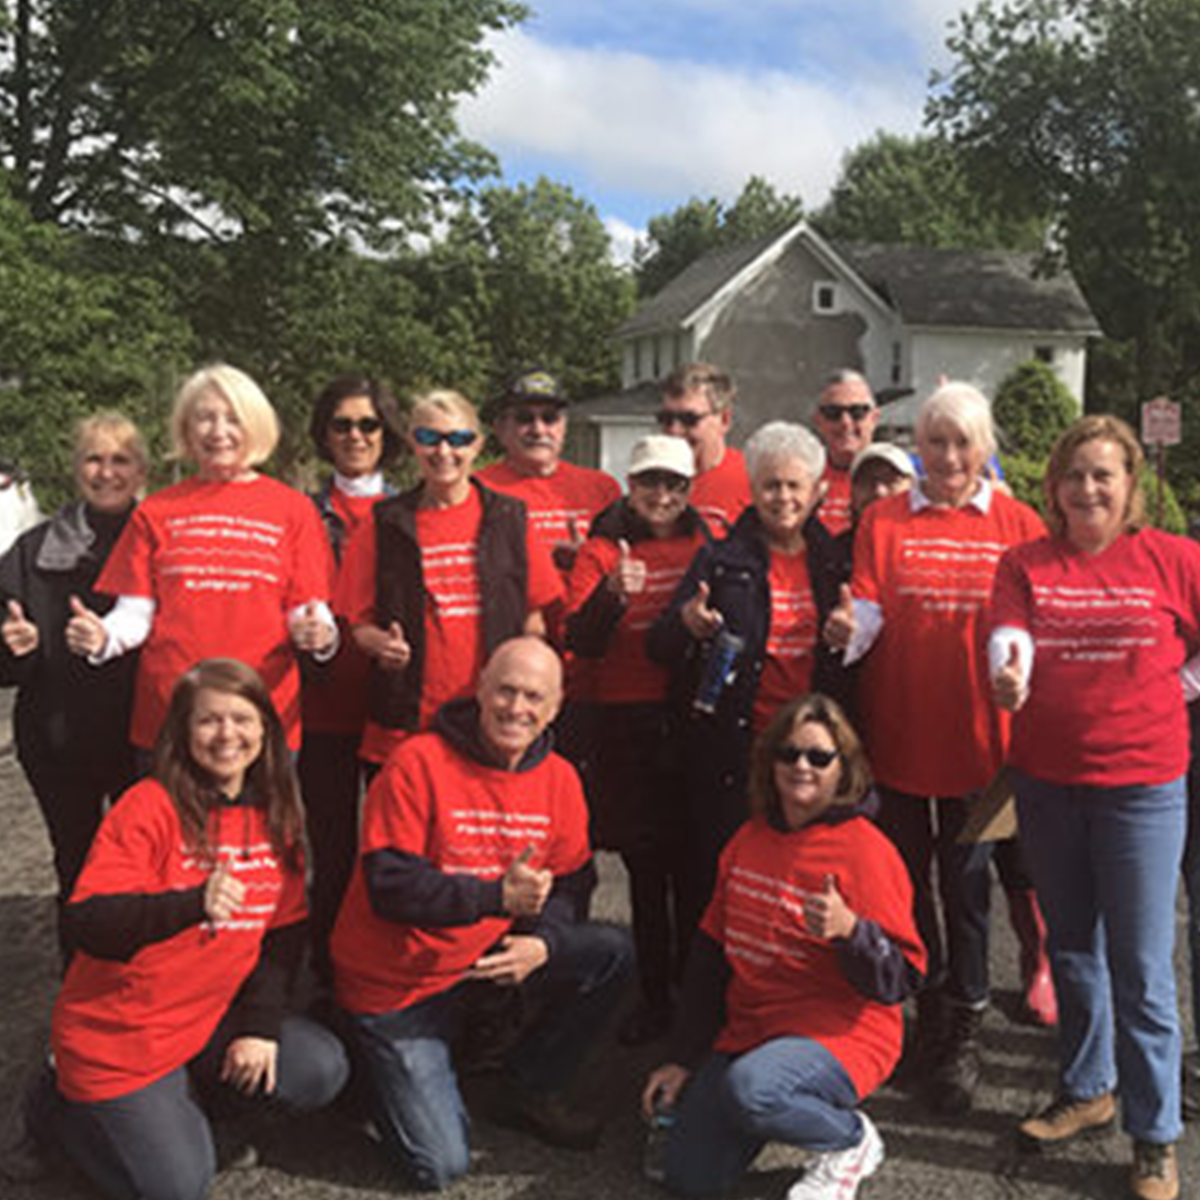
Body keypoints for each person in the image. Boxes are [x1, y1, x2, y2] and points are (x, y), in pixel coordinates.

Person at [19, 659, 350, 1200]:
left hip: (205, 1019)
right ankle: (59, 1112)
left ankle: (186, 1108)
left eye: (241, 719)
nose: (227, 735)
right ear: (182, 732)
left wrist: (260, 1027)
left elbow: (283, 935)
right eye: (209, 721)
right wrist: (191, 904)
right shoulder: (148, 806)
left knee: (318, 1068)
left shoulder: (277, 812)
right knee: (177, 1188)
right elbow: (89, 922)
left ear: (265, 729)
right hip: (123, 1034)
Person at [330, 637, 632, 1190]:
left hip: (480, 964)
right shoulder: (417, 762)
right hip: (397, 983)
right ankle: (361, 1060)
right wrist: (495, 898)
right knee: (440, 1164)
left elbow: (573, 882)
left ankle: (530, 1086)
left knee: (610, 953)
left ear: (556, 707)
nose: (517, 708)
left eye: (534, 697)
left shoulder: (560, 778)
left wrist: (544, 942)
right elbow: (389, 886)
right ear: (480, 689)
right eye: (506, 691)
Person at [989, 414, 1200, 1200]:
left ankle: (1154, 1135)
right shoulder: (1025, 563)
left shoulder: (1172, 559)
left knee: (1141, 968)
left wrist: (1180, 684)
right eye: (1073, 475)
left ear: (1129, 483)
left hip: (1142, 789)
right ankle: (1088, 1089)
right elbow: (1009, 635)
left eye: (1102, 474)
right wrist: (1008, 673)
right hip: (1047, 783)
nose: (1087, 489)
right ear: (1054, 487)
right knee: (1072, 948)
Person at [824, 381, 1045, 1111]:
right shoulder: (884, 520)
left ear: (985, 449)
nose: (948, 457)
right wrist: (846, 631)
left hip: (985, 750)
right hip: (897, 738)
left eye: (962, 443)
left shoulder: (1017, 523)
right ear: (917, 447)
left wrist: (1022, 672)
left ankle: (967, 1026)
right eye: (936, 442)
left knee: (968, 890)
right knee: (906, 886)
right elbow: (867, 609)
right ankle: (927, 1010)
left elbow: (1032, 627)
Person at [641, 694, 924, 1200]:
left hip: (840, 1035)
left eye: (820, 757)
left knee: (754, 1089)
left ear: (844, 769)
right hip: (754, 1030)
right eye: (788, 753)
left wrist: (851, 931)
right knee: (690, 1177)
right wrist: (682, 1057)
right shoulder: (748, 839)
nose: (801, 766)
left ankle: (850, 1140)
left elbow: (901, 978)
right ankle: (776, 1106)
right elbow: (710, 957)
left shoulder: (866, 850)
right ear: (769, 762)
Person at [64, 364, 337, 756]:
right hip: (171, 716)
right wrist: (103, 638)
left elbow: (308, 611)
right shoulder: (156, 511)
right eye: (205, 418)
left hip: (260, 715)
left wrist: (320, 636)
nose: (218, 431)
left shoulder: (294, 510)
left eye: (233, 418)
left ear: (255, 424)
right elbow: (135, 615)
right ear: (186, 429)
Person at [649, 421, 846, 954]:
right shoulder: (721, 560)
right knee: (721, 873)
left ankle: (786, 981)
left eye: (794, 486)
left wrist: (853, 636)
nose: (782, 498)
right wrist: (688, 623)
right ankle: (712, 987)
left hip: (810, 754)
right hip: (738, 747)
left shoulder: (835, 562)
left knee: (801, 877)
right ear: (753, 490)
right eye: (770, 485)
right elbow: (660, 645)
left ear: (816, 491)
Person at [565, 434, 710, 1045]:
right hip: (624, 721)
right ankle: (653, 997)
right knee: (646, 869)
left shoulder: (704, 542)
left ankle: (693, 991)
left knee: (694, 866)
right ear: (631, 485)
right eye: (650, 482)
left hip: (688, 716)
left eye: (674, 485)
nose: (662, 495)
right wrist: (612, 595)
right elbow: (580, 639)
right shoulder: (602, 548)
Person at [335, 388, 563, 769]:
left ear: (477, 445)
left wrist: (522, 690)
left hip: (490, 722)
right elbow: (359, 625)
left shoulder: (510, 518)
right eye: (430, 437)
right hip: (407, 721)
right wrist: (382, 646)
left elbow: (534, 622)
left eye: (458, 439)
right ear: (413, 443)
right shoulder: (383, 522)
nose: (444, 452)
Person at [0, 413, 147, 957]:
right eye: (94, 459)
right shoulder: (32, 551)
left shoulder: (164, 542)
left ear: (141, 471)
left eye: (120, 460)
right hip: (58, 738)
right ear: (75, 468)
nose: (106, 472)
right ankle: (81, 986)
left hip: (144, 739)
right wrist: (13, 648)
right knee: (78, 868)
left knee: (142, 869)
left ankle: (143, 984)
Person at [300, 375, 403, 987]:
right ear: (324, 434)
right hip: (323, 709)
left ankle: (385, 974)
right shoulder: (302, 513)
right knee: (332, 852)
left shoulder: (408, 511)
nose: (356, 436)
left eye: (368, 424)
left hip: (392, 706)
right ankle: (328, 976)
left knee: (393, 851)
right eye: (342, 425)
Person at [476, 367, 621, 577]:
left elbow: (628, 560)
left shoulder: (603, 488)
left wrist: (591, 559)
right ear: (500, 428)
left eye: (549, 418)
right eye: (524, 418)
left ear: (564, 426)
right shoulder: (477, 489)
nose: (538, 430)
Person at [658, 363, 752, 536]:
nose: (674, 431)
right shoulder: (649, 483)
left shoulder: (754, 482)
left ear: (724, 420)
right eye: (666, 419)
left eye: (689, 419)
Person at [810, 370, 880, 537]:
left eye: (857, 412)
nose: (845, 422)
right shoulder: (803, 475)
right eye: (833, 413)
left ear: (874, 419)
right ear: (818, 421)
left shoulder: (901, 475)